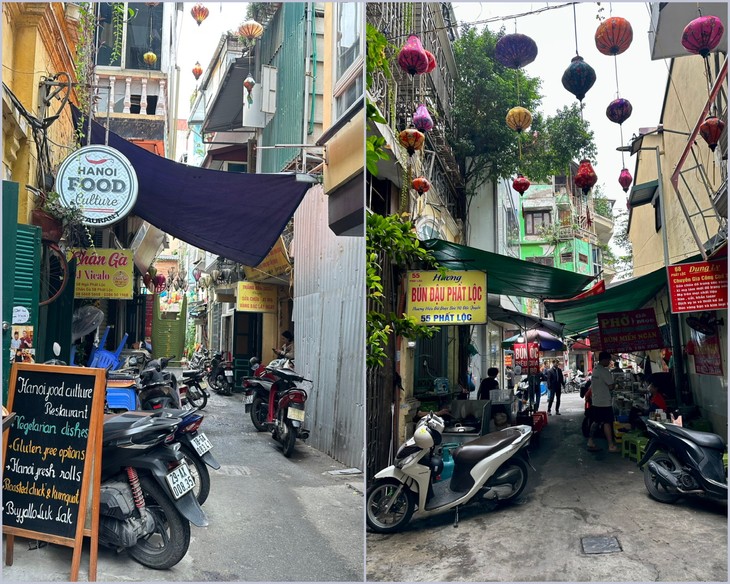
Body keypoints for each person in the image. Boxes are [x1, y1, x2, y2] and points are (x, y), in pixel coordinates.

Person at [587, 351, 619, 453]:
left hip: (596, 401)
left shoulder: (595, 369)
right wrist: (616, 382)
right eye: (609, 360)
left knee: (596, 421)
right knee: (607, 422)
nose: (609, 362)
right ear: (604, 360)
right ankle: (611, 445)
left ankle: (590, 441)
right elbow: (610, 386)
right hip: (604, 402)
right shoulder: (604, 371)